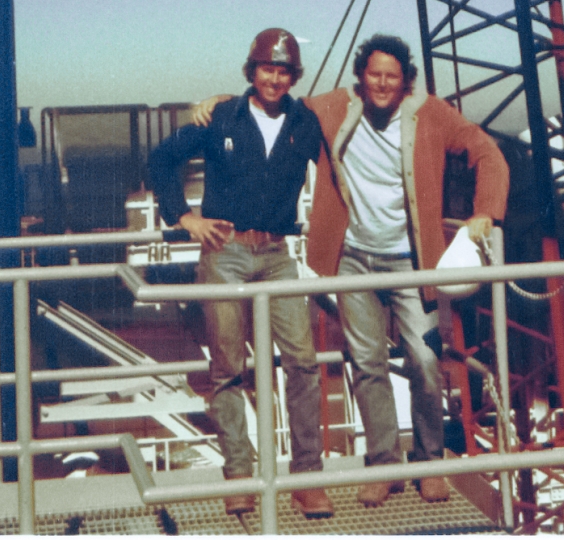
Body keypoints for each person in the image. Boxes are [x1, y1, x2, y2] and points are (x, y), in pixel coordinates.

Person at [193, 34, 509, 507]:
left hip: (413, 261)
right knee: (367, 364)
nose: (382, 84)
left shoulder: (433, 114)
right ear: (361, 77)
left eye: (392, 77)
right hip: (353, 256)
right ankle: (382, 465)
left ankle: (428, 462)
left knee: (424, 361)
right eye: (374, 74)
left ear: (406, 82)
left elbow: (487, 152)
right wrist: (218, 102)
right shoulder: (330, 107)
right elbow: (273, 98)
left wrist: (485, 210)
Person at [147, 28, 333, 518]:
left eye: (284, 70)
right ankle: (239, 476)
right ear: (252, 71)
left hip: (277, 255)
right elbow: (161, 159)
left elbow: (350, 108)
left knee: (303, 361)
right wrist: (183, 217)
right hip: (224, 251)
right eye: (267, 68)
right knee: (228, 367)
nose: (275, 78)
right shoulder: (221, 117)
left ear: (294, 76)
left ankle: (308, 476)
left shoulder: (305, 122)